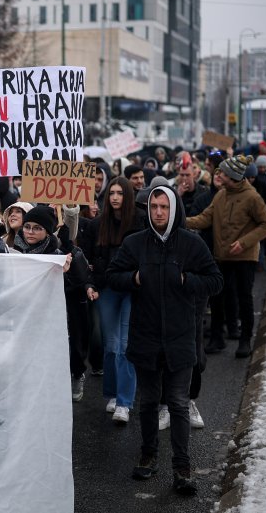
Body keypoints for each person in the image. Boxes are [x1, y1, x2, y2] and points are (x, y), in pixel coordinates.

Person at [106, 185, 223, 496]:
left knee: (178, 404)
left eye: (164, 207)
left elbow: (215, 280)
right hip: (145, 336)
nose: (158, 212)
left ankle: (182, 468)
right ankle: (148, 454)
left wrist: (187, 280)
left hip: (180, 337)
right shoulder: (134, 243)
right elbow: (112, 275)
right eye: (154, 206)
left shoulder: (191, 243)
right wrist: (134, 278)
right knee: (147, 402)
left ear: (174, 210)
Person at [186, 155, 266, 357]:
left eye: (222, 172)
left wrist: (244, 242)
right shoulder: (220, 195)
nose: (218, 174)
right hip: (222, 255)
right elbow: (204, 218)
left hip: (245, 257)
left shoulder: (252, 197)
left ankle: (245, 341)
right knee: (217, 297)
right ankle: (217, 338)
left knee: (244, 297)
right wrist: (180, 220)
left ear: (232, 175)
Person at [79, 177, 144, 424]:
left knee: (126, 346)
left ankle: (125, 402)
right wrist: (91, 283)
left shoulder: (140, 221)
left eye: (120, 193)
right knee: (111, 345)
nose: (115, 197)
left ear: (127, 196)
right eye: (112, 193)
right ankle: (113, 394)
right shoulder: (98, 225)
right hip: (107, 288)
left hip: (132, 288)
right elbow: (88, 258)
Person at [13, 206, 87, 399]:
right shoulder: (12, 250)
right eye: (27, 226)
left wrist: (68, 253)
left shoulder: (57, 251)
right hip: (23, 319)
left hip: (51, 319)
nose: (29, 231)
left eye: (36, 228)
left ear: (47, 231)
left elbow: (80, 279)